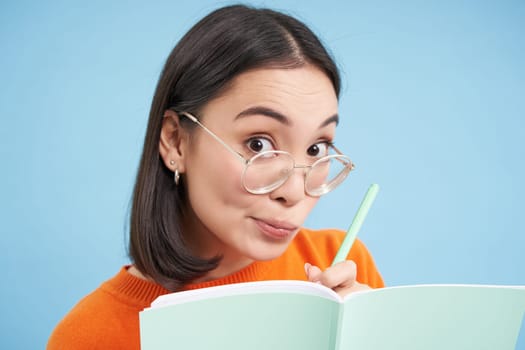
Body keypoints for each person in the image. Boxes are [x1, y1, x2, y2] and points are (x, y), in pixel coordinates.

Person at [47, 4, 384, 349]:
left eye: (317, 148)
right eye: (258, 143)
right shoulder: (88, 335)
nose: (295, 190)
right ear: (176, 141)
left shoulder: (343, 268)